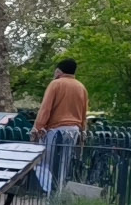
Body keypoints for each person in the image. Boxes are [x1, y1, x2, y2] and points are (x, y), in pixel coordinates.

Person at [33, 56, 92, 197]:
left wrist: (37, 128)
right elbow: (84, 113)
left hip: (55, 130)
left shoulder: (55, 84)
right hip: (74, 131)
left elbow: (45, 109)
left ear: (59, 71)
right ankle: (60, 193)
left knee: (42, 163)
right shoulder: (81, 87)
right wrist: (83, 132)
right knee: (64, 165)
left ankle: (50, 192)